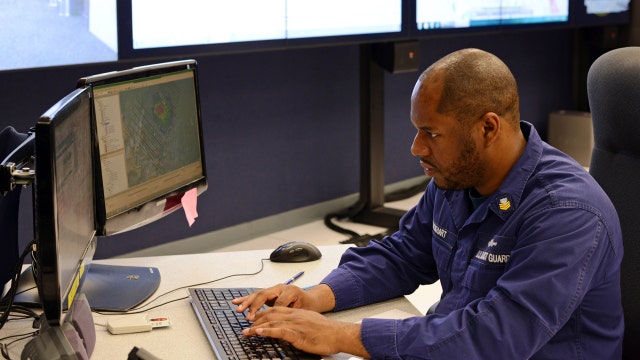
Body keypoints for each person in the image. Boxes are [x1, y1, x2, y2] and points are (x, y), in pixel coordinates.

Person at [233, 48, 624, 359]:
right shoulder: (457, 175)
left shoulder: (567, 213)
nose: (417, 149)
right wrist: (314, 298)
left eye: (431, 133)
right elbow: (402, 256)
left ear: (488, 128)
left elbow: (496, 338)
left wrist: (343, 336)